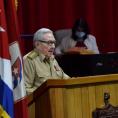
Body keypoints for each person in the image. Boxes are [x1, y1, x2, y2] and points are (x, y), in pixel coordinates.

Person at [23, 28, 69, 94]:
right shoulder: (29, 60)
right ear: (37, 44)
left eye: (54, 43)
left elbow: (65, 79)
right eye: (49, 43)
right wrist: (46, 93)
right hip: (40, 102)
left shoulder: (52, 59)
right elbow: (25, 89)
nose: (53, 46)